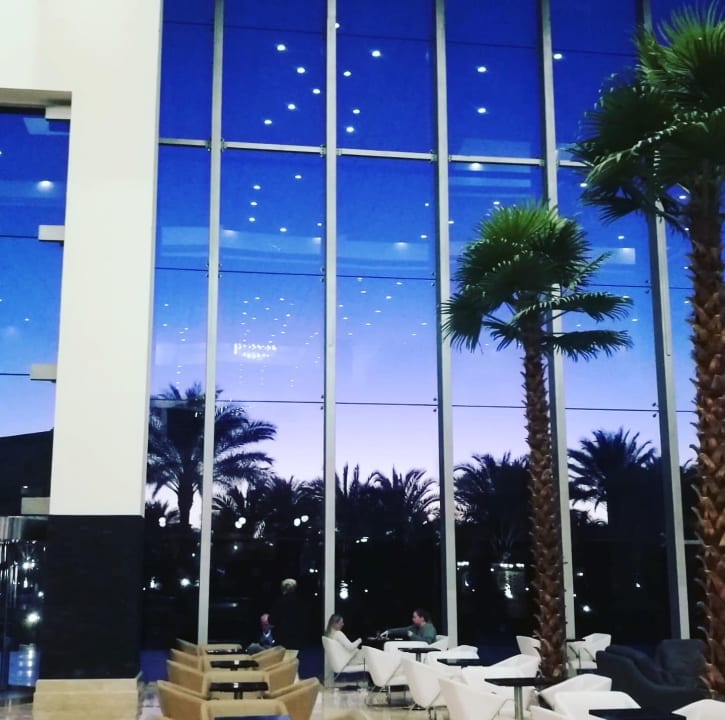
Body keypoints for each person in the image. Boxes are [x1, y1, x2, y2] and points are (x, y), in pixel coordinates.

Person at [269, 577, 306, 649]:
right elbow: (304, 619)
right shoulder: (301, 602)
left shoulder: (279, 601)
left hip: (281, 636)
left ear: (283, 589)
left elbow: (272, 620)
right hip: (297, 636)